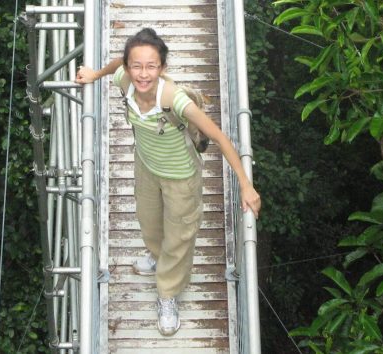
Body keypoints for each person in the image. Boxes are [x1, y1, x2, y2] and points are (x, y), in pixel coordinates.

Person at [76, 28, 261, 336]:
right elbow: (116, 66)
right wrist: (95, 74)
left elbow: (219, 137)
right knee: (149, 221)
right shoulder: (125, 79)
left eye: (151, 66)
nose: (143, 73)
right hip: (146, 165)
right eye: (137, 65)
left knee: (178, 237)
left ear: (162, 67)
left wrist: (245, 184)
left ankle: (167, 293)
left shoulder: (173, 99)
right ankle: (155, 253)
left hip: (181, 177)